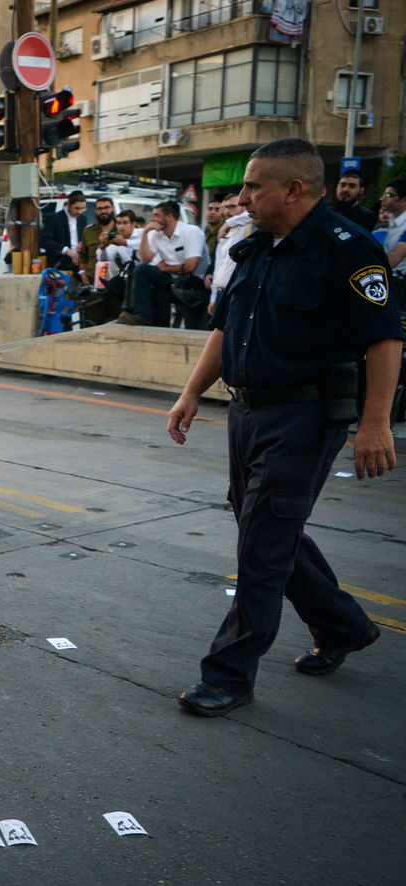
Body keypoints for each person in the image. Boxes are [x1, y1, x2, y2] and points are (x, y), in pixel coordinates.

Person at [166, 138, 401, 716]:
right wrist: (192, 391)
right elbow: (224, 329)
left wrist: (375, 423)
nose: (241, 197)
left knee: (264, 544)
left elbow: (385, 338)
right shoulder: (256, 248)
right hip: (248, 410)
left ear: (293, 190)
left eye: (253, 187)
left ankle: (228, 674)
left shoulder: (348, 248)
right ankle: (343, 624)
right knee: (269, 528)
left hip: (305, 415)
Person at [119, 201, 204, 328]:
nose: (152, 219)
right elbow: (144, 260)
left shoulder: (191, 232)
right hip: (171, 279)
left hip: (193, 283)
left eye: (156, 215)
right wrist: (145, 233)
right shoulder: (155, 234)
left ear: (169, 216)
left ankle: (145, 316)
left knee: (193, 325)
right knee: (140, 270)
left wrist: (166, 268)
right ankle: (141, 315)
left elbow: (191, 267)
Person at [77, 197, 121, 324]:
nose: (103, 211)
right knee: (93, 322)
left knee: (116, 321)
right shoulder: (89, 230)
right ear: (95, 211)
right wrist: (83, 275)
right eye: (99, 208)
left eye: (106, 207)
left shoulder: (121, 229)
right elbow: (82, 256)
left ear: (112, 209)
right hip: (93, 283)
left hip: (116, 284)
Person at [40, 191, 88, 272]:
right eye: (76, 208)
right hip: (60, 262)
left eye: (83, 208)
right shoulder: (54, 218)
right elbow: (44, 240)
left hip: (79, 261)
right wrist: (66, 251)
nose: (80, 212)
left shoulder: (83, 219)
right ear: (68, 205)